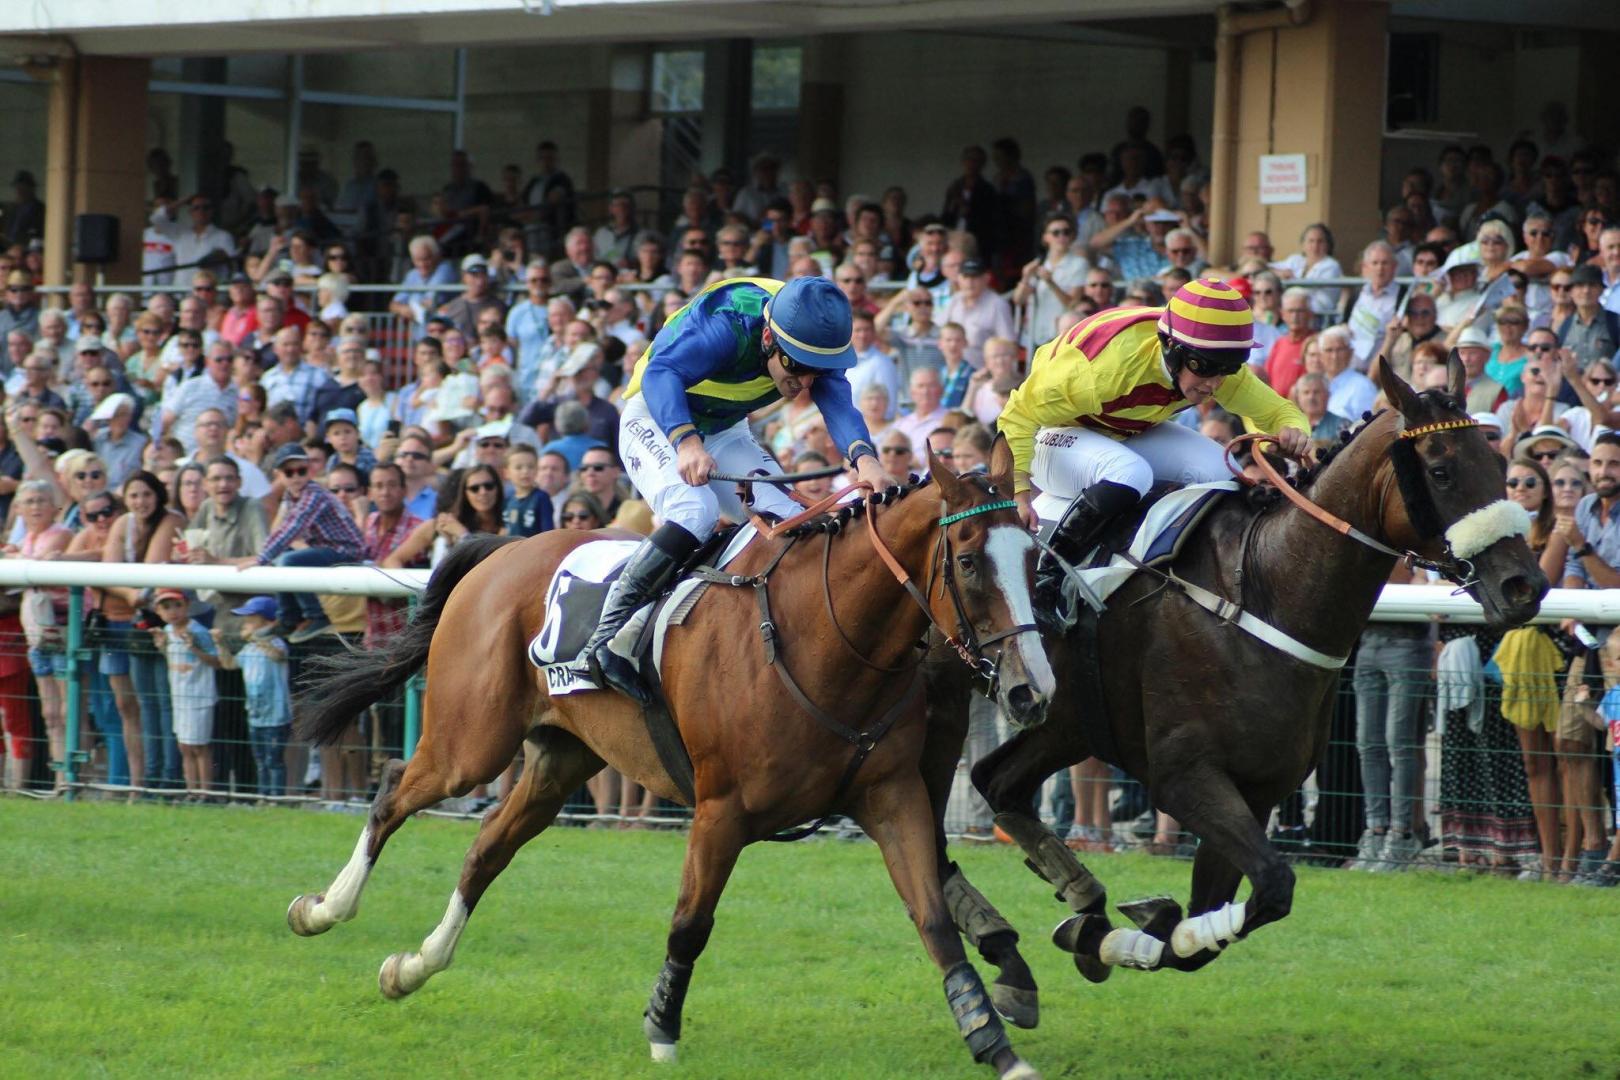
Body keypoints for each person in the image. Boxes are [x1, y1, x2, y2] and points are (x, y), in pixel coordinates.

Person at [571, 275, 888, 703]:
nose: (805, 382)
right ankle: (601, 641)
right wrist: (686, 440)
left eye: (817, 370)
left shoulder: (813, 339)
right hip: (658, 416)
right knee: (695, 511)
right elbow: (661, 372)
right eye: (797, 366)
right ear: (769, 338)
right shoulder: (728, 323)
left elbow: (838, 404)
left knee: (792, 523)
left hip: (724, 427)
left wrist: (866, 460)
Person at [997, 277, 1309, 604]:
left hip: (1121, 432)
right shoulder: (1102, 370)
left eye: (1228, 369)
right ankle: (1049, 577)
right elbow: (1017, 415)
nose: (1214, 384)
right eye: (1204, 367)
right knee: (1130, 473)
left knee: (1224, 470)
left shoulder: (1212, 359)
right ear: (1172, 349)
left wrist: (1293, 429)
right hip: (1050, 437)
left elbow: (1279, 411)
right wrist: (1019, 493)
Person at [237, 443, 366, 643]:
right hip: (328, 548)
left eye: (301, 470)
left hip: (346, 551)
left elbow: (292, 528)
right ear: (279, 475)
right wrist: (265, 556)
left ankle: (316, 616)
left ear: (310, 470)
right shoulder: (291, 496)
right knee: (282, 558)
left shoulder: (314, 495)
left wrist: (262, 558)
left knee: (287, 560)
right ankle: (288, 618)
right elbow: (282, 530)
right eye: (289, 472)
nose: (296, 476)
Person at [210, 596, 292, 800]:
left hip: (276, 716)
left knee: (274, 760)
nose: (244, 624)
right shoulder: (248, 649)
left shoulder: (276, 643)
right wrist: (220, 644)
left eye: (250, 619)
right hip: (255, 715)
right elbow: (229, 664)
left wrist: (256, 638)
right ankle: (264, 797)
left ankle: (277, 799)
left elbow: (277, 655)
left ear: (267, 622)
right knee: (261, 761)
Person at [150, 588, 221, 802]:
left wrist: (195, 649)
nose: (173, 612)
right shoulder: (167, 632)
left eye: (177, 605)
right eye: (166, 607)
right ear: (158, 611)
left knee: (200, 746)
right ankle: (192, 791)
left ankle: (206, 793)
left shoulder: (197, 631)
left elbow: (217, 662)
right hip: (179, 696)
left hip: (199, 696)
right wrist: (162, 647)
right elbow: (173, 659)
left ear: (187, 605)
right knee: (185, 746)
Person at [383, 464, 507, 569]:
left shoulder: (509, 524)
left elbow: (494, 567)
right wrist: (415, 587)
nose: (483, 492)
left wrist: (463, 535)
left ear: (498, 488)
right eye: (474, 488)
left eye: (489, 486)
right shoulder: (441, 524)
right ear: (465, 493)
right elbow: (392, 560)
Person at [502, 443, 552, 537]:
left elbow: (548, 532)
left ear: (537, 469)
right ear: (507, 473)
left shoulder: (541, 498)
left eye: (530, 466)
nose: (525, 471)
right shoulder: (507, 501)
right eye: (518, 467)